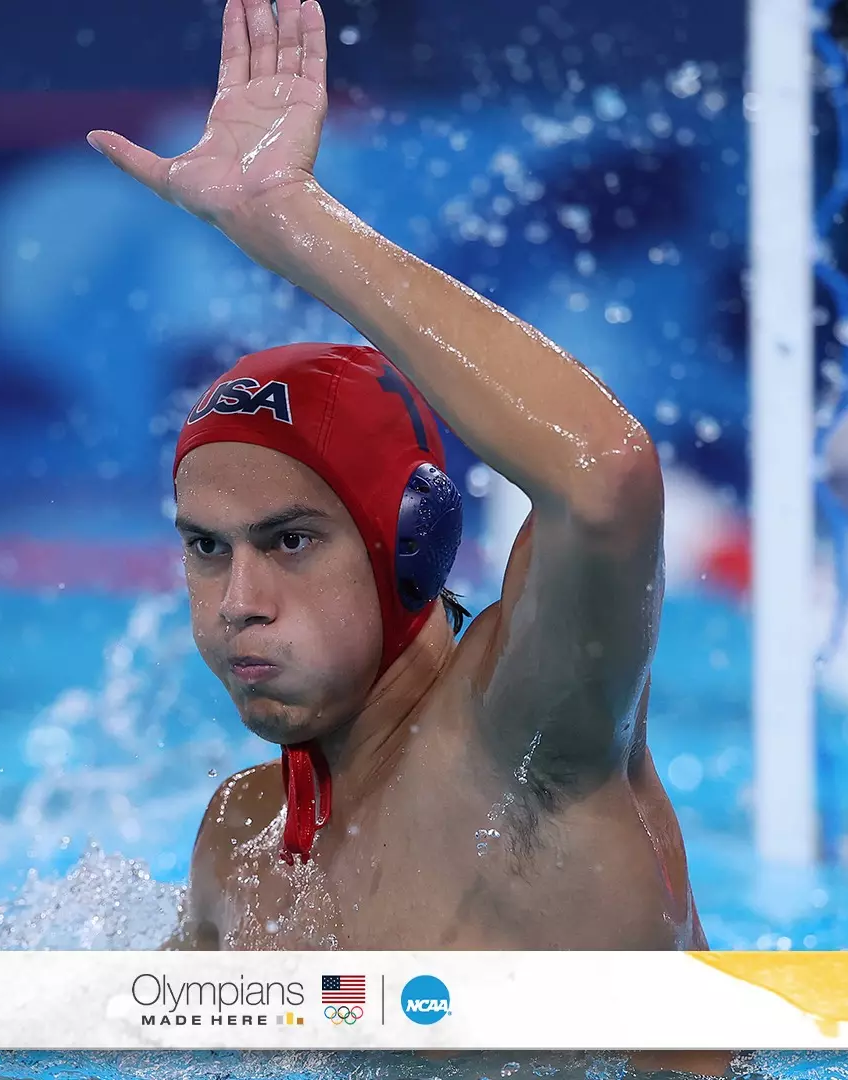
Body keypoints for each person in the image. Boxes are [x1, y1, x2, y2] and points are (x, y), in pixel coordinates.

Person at [84, 0, 703, 959]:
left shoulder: (521, 740)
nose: (238, 603)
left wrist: (287, 221)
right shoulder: (241, 842)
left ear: (410, 542)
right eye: (207, 549)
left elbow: (605, 478)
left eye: (290, 541)